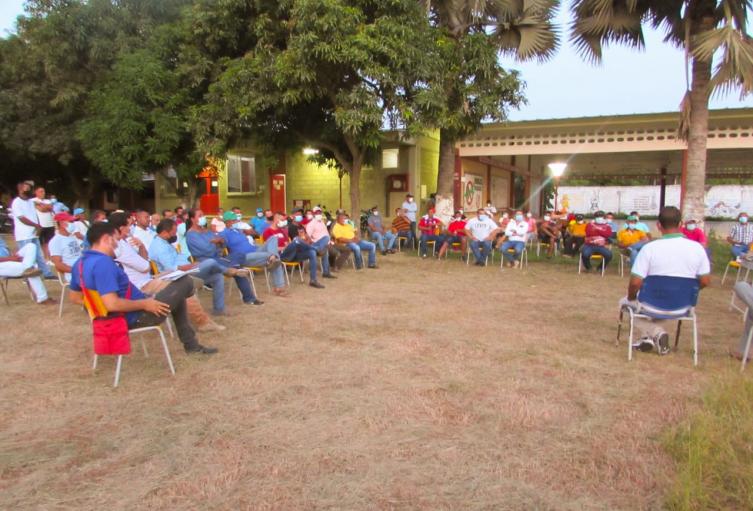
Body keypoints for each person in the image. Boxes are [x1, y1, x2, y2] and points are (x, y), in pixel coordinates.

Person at [68, 222, 218, 355]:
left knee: (178, 291)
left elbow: (75, 298)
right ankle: (191, 344)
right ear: (107, 239)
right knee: (185, 281)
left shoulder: (79, 264)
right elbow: (112, 303)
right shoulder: (103, 263)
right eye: (116, 240)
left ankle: (191, 344)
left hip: (113, 316)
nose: (117, 244)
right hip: (138, 315)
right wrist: (145, 304)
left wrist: (100, 308)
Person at [108, 212, 225, 333]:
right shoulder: (119, 246)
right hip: (142, 285)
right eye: (129, 225)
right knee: (184, 284)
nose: (131, 228)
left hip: (149, 278)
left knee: (197, 279)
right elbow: (145, 266)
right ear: (121, 228)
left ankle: (202, 321)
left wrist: (142, 247)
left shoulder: (126, 243)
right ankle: (202, 322)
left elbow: (144, 263)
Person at [620, 206, 710, 355]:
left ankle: (655, 333)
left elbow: (635, 282)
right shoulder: (698, 249)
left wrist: (631, 297)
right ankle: (647, 339)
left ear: (658, 225)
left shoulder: (649, 248)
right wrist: (688, 292)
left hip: (651, 303)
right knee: (662, 305)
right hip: (683, 305)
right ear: (681, 224)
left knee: (625, 303)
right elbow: (705, 281)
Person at [154, 218, 256, 313]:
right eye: (173, 232)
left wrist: (190, 263)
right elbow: (171, 268)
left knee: (217, 277)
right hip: (179, 276)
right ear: (164, 232)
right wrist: (189, 266)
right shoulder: (159, 247)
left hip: (188, 270)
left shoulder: (165, 243)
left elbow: (218, 246)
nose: (175, 234)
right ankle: (230, 271)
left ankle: (219, 310)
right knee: (210, 262)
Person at [217, 210, 288, 291]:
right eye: (234, 220)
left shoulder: (239, 231)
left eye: (236, 219)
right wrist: (220, 242)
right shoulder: (224, 233)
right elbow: (221, 244)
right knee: (275, 258)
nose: (237, 221)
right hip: (245, 257)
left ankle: (273, 258)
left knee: (273, 239)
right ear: (228, 222)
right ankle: (279, 285)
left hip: (256, 251)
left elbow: (256, 234)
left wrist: (249, 232)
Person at [263, 212, 326, 287]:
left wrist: (288, 245)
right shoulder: (267, 232)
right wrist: (284, 247)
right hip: (281, 255)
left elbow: (288, 243)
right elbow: (269, 248)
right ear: (276, 220)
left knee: (312, 252)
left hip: (292, 253)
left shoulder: (282, 231)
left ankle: (313, 280)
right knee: (296, 239)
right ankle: (316, 249)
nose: (284, 222)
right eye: (282, 220)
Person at [11, 182, 54, 279]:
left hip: (33, 233)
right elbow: (21, 218)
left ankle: (47, 274)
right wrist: (36, 225)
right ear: (20, 189)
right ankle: (26, 277)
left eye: (30, 188)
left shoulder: (30, 202)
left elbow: (36, 215)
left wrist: (38, 226)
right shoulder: (16, 202)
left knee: (39, 255)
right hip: (23, 235)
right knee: (27, 257)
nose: (29, 190)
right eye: (27, 188)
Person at [0, 236, 53, 305]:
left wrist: (13, 257)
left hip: (8, 260)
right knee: (29, 269)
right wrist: (10, 259)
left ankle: (28, 267)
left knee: (31, 246)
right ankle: (42, 298)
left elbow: (4, 251)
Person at [48, 212, 84, 281]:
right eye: (71, 221)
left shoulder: (72, 237)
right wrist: (76, 271)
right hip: (75, 274)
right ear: (62, 223)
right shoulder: (55, 241)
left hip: (83, 269)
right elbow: (58, 264)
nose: (73, 224)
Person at [305, 206, 339, 278]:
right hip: (315, 244)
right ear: (313, 214)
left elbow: (326, 233)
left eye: (320, 212)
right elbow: (308, 237)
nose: (319, 214)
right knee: (326, 241)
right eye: (317, 213)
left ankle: (326, 272)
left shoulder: (322, 223)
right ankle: (318, 248)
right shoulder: (311, 224)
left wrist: (329, 241)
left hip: (324, 244)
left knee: (325, 250)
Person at [32, 186, 56, 256]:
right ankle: (39, 258)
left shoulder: (48, 201)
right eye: (41, 191)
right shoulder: (32, 200)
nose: (43, 193)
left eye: (44, 191)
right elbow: (41, 210)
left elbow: (50, 207)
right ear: (36, 192)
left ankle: (48, 258)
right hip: (40, 225)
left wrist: (41, 205)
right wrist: (46, 207)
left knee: (49, 242)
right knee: (39, 242)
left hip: (50, 224)